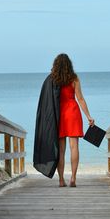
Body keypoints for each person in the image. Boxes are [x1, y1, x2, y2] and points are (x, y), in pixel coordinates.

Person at [33, 53, 94, 187]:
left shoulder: (52, 79)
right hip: (73, 113)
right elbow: (81, 99)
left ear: (55, 65)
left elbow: (46, 101)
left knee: (61, 150)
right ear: (69, 65)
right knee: (74, 147)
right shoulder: (74, 78)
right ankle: (73, 178)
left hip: (59, 115)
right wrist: (88, 116)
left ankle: (61, 180)